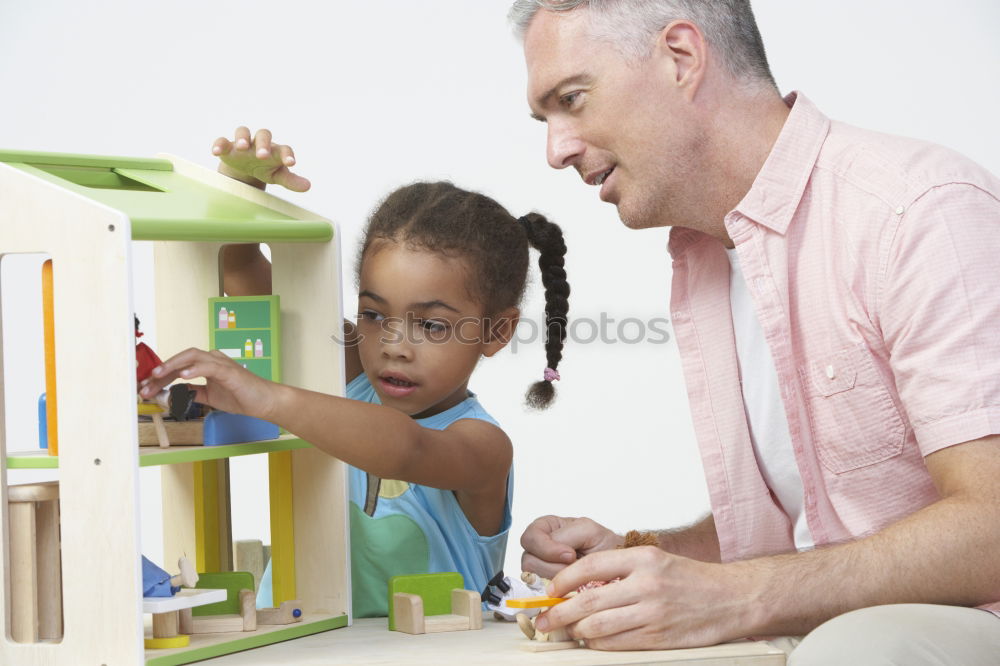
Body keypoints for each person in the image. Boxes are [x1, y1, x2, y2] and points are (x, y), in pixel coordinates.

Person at [508, 0, 1000, 662]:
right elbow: (821, 526)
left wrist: (733, 598)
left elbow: (992, 524)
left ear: (682, 58)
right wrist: (644, 559)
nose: (555, 149)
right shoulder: (708, 256)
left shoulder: (918, 212)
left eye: (573, 99)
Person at [140, 128, 572, 617]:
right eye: (374, 315)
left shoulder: (481, 446)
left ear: (496, 331)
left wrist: (269, 398)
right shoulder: (349, 369)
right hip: (299, 645)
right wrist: (244, 182)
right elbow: (241, 269)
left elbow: (405, 448)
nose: (393, 346)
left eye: (430, 324)